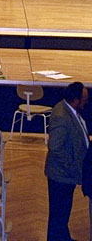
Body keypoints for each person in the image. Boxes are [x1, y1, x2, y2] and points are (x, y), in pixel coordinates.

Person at [45, 81, 89, 241]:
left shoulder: (68, 109)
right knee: (59, 214)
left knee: (62, 214)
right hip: (61, 175)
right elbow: (55, 148)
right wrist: (72, 167)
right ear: (75, 100)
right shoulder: (62, 117)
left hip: (65, 175)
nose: (86, 102)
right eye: (84, 99)